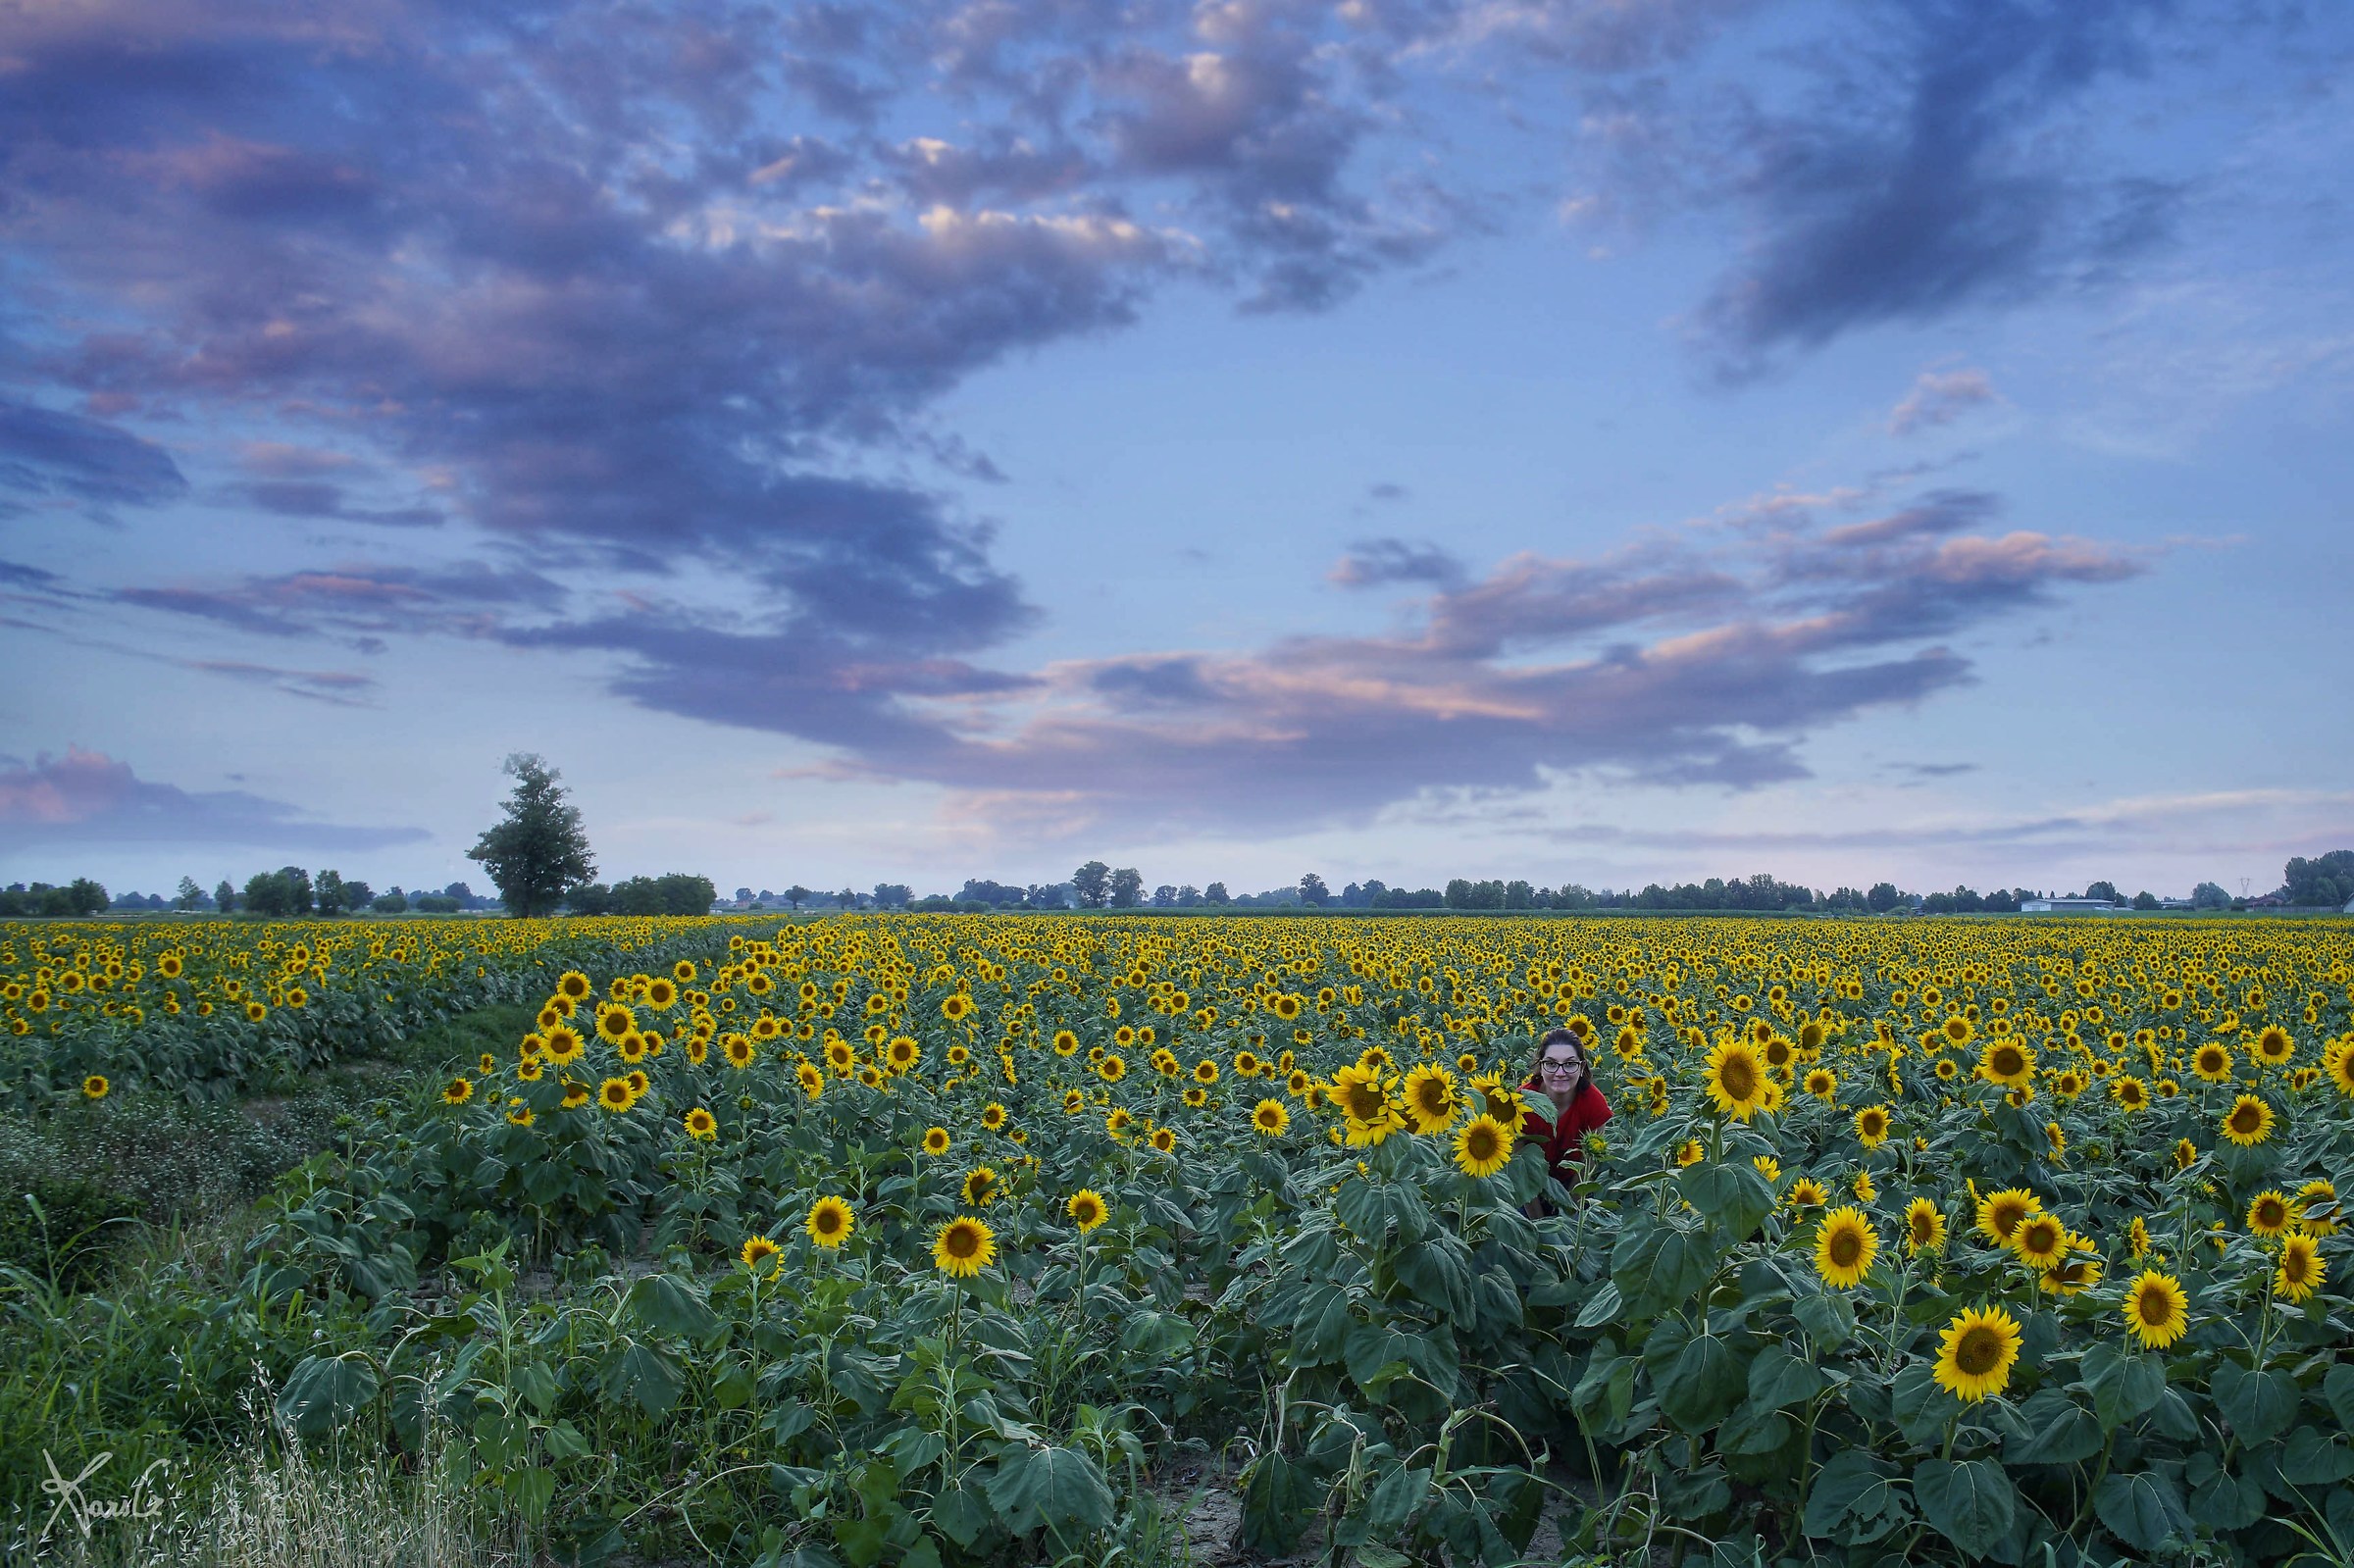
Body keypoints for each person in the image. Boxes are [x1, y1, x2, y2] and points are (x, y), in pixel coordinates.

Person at [1521, 1028, 1612, 1210]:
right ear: (1540, 1066)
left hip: (1573, 1183)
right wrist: (1538, 1227)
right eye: (1551, 1064)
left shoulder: (1594, 1104)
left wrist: (1569, 1218)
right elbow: (1519, 1171)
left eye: (1570, 1064)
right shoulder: (1521, 1103)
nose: (1560, 1072)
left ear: (1582, 1067)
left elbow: (1587, 1168)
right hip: (1531, 1186)